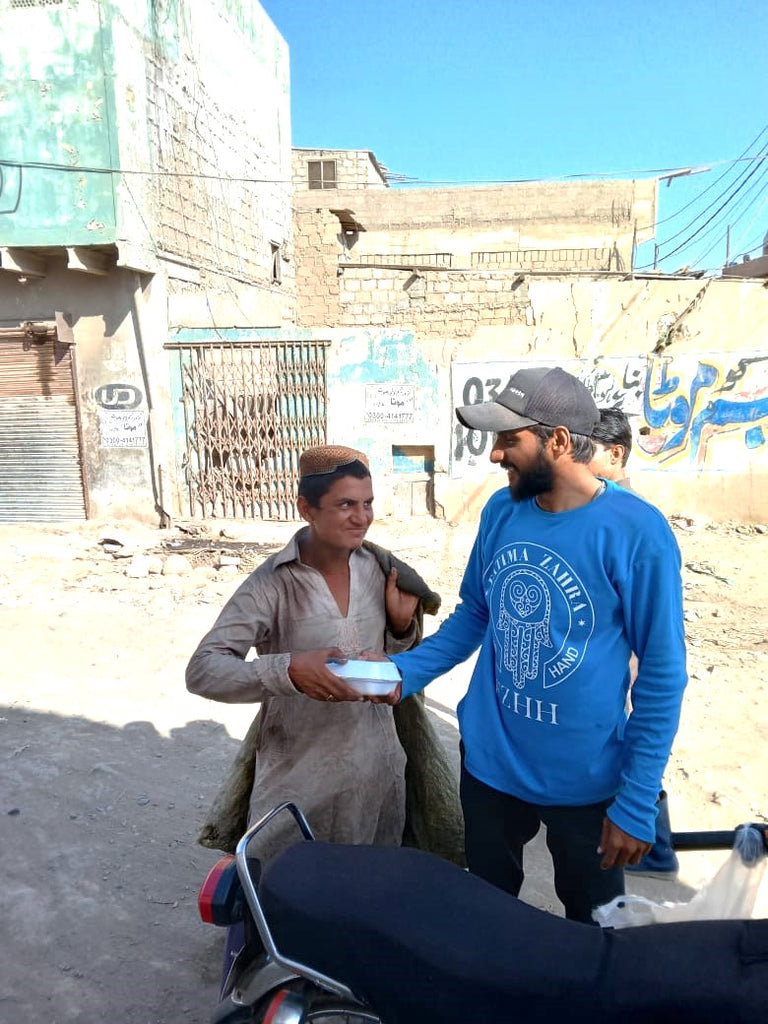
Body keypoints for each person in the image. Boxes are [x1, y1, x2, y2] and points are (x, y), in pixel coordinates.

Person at [381, 367, 688, 923]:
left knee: (592, 928)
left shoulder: (636, 532)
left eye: (509, 439)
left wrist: (638, 798)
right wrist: (402, 673)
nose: (495, 454)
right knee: (488, 912)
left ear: (560, 441)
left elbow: (662, 673)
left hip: (587, 777)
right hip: (490, 763)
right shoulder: (502, 512)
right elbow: (476, 612)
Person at [185, 444, 438, 862]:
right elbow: (203, 670)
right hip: (297, 782)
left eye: (368, 503)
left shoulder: (380, 570)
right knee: (283, 887)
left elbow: (390, 664)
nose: (362, 518)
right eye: (345, 505)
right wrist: (288, 671)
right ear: (307, 508)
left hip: (376, 774)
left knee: (370, 886)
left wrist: (399, 628)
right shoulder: (272, 584)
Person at [590, 406, 679, 879]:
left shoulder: (632, 518)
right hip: (621, 658)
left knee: (633, 745)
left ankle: (654, 849)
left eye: (588, 450)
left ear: (615, 454)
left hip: (628, 659)